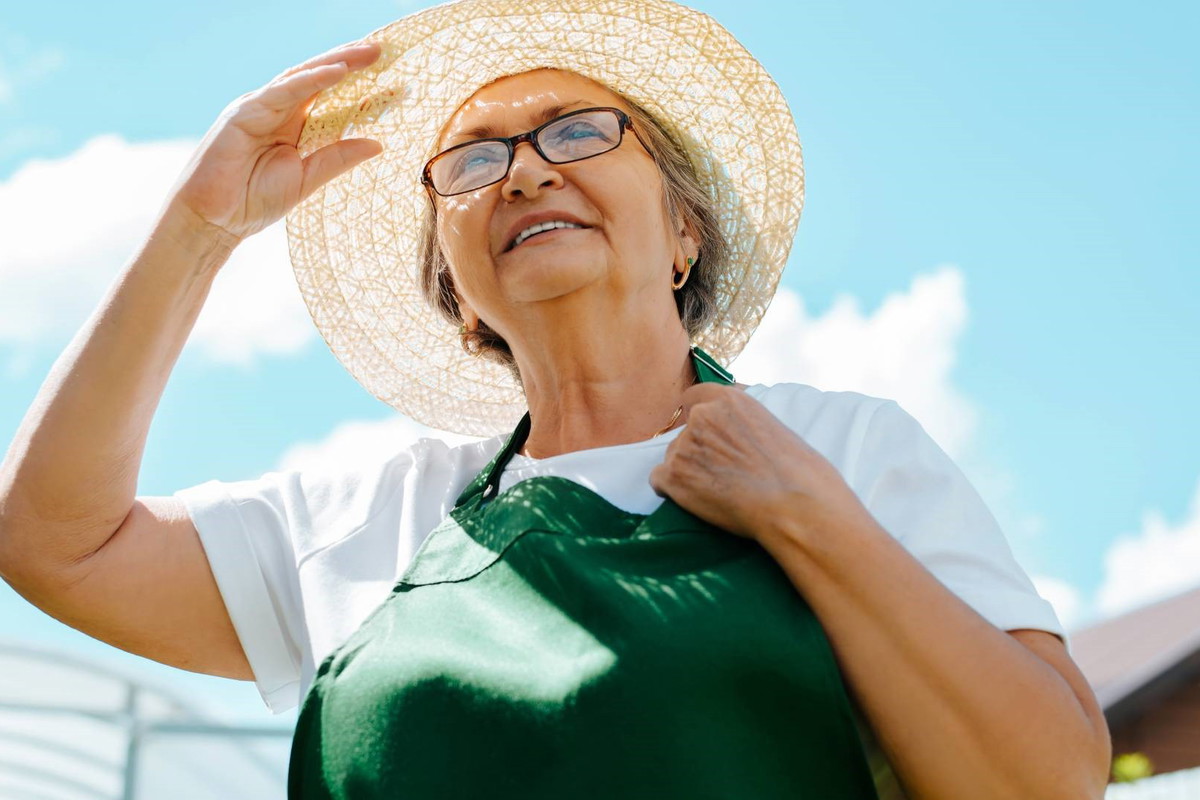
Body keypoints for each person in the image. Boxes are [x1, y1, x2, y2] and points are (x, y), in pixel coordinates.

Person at [0, 0, 1110, 797]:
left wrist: (810, 516)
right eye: (472, 163)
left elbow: (1044, 780)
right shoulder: (367, 519)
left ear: (683, 231)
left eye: (577, 132)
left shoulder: (842, 447)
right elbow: (56, 540)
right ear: (461, 292)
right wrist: (199, 230)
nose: (525, 171)